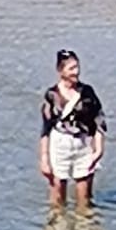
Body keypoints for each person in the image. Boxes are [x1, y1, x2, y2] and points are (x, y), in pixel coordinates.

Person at [39, 49, 106, 210]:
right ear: (60, 71)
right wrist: (44, 159)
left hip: (83, 144)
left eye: (77, 67)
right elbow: (46, 129)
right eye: (71, 69)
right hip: (59, 144)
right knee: (57, 196)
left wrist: (99, 148)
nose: (76, 72)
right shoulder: (51, 95)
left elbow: (99, 121)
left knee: (84, 197)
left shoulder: (87, 93)